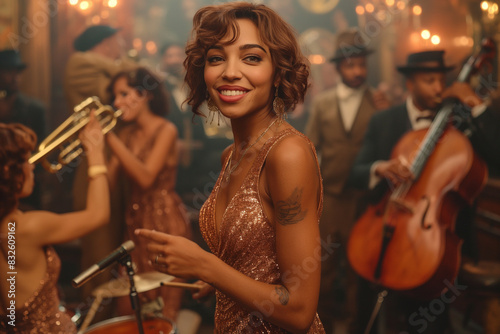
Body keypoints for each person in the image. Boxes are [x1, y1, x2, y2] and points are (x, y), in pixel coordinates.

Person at [135, 3, 326, 333]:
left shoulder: (287, 154)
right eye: (216, 58)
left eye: (251, 57)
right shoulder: (230, 154)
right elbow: (256, 257)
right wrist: (222, 280)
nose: (230, 72)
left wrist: (206, 266)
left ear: (278, 71)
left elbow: (299, 311)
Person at [348, 50, 500, 334]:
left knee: (432, 322)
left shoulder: (463, 121)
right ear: (410, 84)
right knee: (376, 313)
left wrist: (475, 104)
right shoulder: (384, 122)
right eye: (430, 80)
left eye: (442, 80)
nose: (439, 88)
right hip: (384, 228)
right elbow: (355, 174)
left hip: (438, 240)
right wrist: (380, 168)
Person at [304, 28, 390, 333]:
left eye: (361, 65)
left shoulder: (379, 103)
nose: (357, 71)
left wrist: (387, 114)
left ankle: (356, 327)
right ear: (338, 67)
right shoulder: (324, 103)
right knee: (323, 270)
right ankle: (320, 326)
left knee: (359, 273)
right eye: (350, 65)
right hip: (330, 199)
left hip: (366, 200)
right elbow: (311, 148)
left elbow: (390, 149)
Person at [0, 116, 109, 333]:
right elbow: (98, 214)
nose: (31, 165)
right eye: (23, 160)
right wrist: (95, 152)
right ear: (6, 172)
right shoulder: (28, 227)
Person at [104, 66, 191, 321]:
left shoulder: (166, 130)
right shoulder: (125, 134)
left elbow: (145, 178)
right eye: (115, 97)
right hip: (135, 225)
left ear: (145, 95)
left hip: (165, 223)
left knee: (163, 312)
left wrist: (109, 138)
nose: (116, 103)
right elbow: (108, 186)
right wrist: (96, 147)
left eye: (123, 94)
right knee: (130, 308)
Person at [63, 24, 136, 314]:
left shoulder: (101, 65)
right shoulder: (80, 62)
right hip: (97, 165)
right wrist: (124, 67)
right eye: (118, 40)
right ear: (106, 42)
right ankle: (94, 316)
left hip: (112, 161)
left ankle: (110, 315)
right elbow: (122, 82)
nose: (121, 45)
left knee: (114, 246)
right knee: (99, 248)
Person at [0, 49, 47, 211]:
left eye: (17, 72)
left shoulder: (35, 109)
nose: (14, 78)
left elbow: (42, 146)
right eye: (8, 72)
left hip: (27, 181)